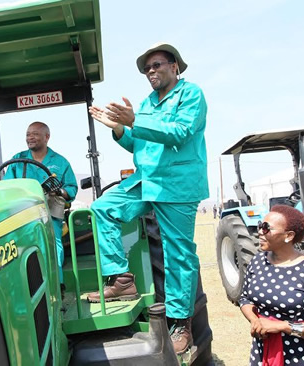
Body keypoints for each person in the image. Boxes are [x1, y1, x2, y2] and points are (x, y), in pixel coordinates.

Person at [87, 42, 208, 354]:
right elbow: (140, 145)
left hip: (177, 184)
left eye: (157, 65)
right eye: (147, 68)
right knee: (103, 208)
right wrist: (118, 129)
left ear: (175, 66)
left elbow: (179, 132)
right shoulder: (147, 103)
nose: (151, 71)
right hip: (148, 179)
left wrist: (133, 121)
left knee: (178, 253)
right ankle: (122, 279)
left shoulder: (191, 94)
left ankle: (182, 324)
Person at [239, 205, 304, 366]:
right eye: (260, 225)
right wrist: (255, 320)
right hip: (264, 353)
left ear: (288, 236)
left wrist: (282, 326)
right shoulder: (258, 261)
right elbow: (245, 298)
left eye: (266, 228)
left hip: (303, 358)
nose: (260, 231)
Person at [3, 121, 78, 285]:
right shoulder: (17, 159)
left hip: (49, 212)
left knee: (53, 242)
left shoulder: (60, 162)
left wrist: (59, 191)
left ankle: (57, 285)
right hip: (22, 213)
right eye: (28, 134)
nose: (30, 137)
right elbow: (6, 186)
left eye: (35, 134)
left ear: (47, 137)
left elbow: (71, 188)